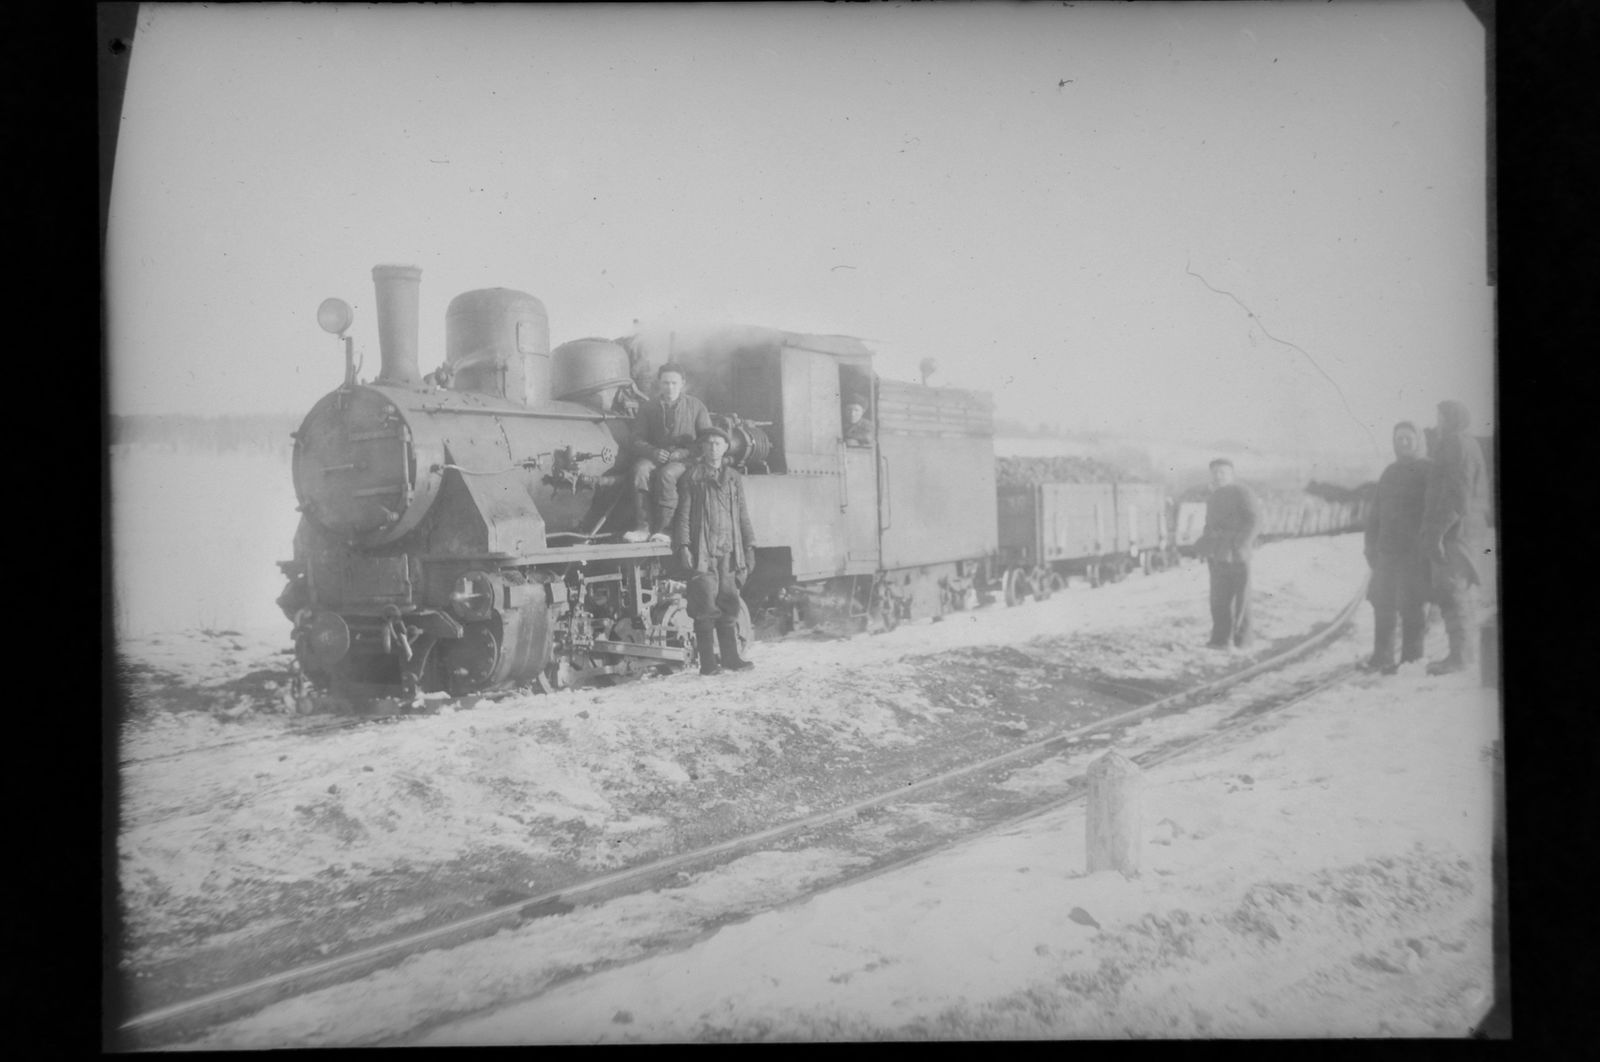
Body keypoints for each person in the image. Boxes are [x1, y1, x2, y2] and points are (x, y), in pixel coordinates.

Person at [672, 427, 757, 675]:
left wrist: (750, 546)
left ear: (725, 448)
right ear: (703, 448)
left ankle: (731, 658)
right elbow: (684, 515)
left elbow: (743, 515)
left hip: (729, 549)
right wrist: (684, 546)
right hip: (703, 550)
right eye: (708, 444)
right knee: (705, 605)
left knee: (729, 602)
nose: (713, 448)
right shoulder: (692, 477)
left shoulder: (733, 477)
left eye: (718, 444)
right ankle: (708, 664)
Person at [1418, 399, 1490, 675]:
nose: (1437, 421)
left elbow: (1456, 497)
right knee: (1459, 594)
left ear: (1451, 418)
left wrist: (1436, 533)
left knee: (1451, 593)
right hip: (1463, 530)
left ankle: (1460, 658)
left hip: (1453, 533)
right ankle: (1464, 655)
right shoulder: (1466, 443)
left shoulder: (1455, 444)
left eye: (1440, 416)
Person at [1362, 421, 1432, 673]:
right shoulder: (1389, 472)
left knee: (1411, 605)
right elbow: (1376, 514)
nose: (1403, 443)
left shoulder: (1428, 470)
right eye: (1399, 438)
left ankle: (1411, 660)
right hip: (1387, 552)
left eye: (1408, 438)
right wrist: (1370, 545)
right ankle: (1381, 656)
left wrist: (1426, 547)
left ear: (1418, 440)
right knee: (1382, 602)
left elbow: (1433, 512)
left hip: (1414, 553)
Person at [623, 364, 711, 543]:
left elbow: (706, 440)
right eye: (665, 383)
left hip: (688, 459)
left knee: (667, 475)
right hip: (657, 456)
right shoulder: (649, 407)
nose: (669, 387)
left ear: (683, 384)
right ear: (659, 384)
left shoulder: (696, 406)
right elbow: (636, 439)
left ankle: (665, 530)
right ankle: (643, 528)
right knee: (640, 471)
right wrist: (653, 451)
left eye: (674, 383)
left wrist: (685, 452)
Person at [1194, 458, 1260, 649]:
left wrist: (1240, 544)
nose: (1218, 476)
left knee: (1242, 600)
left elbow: (1255, 521)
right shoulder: (1213, 497)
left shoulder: (1242, 492)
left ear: (1232, 475)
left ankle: (1243, 641)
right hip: (1217, 556)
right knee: (1218, 600)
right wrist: (1206, 546)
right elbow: (1209, 525)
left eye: (1223, 472)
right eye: (1215, 472)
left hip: (1238, 554)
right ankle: (1220, 640)